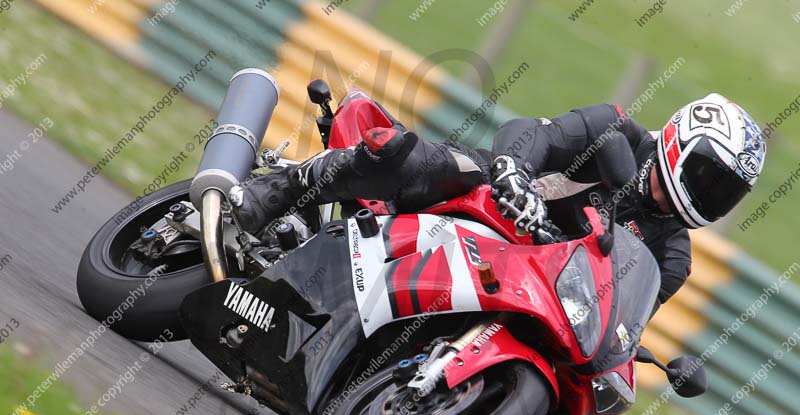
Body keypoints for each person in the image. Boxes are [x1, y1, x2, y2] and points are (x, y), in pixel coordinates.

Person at [237, 93, 766, 309]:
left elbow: (618, 319)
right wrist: (515, 170)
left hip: (522, 285)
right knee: (415, 157)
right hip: (484, 201)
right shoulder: (616, 132)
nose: (708, 193)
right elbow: (537, 134)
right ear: (679, 142)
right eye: (707, 175)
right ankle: (277, 191)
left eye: (724, 192)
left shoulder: (672, 257)